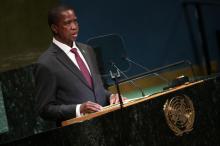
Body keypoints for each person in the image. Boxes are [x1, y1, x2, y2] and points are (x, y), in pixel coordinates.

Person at [35, 5, 122, 124]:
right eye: (67, 23)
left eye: (75, 21)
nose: (74, 27)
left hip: (107, 125)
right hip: (78, 133)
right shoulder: (46, 63)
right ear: (55, 28)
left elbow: (97, 89)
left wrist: (111, 96)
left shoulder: (88, 50)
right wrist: (78, 109)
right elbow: (45, 109)